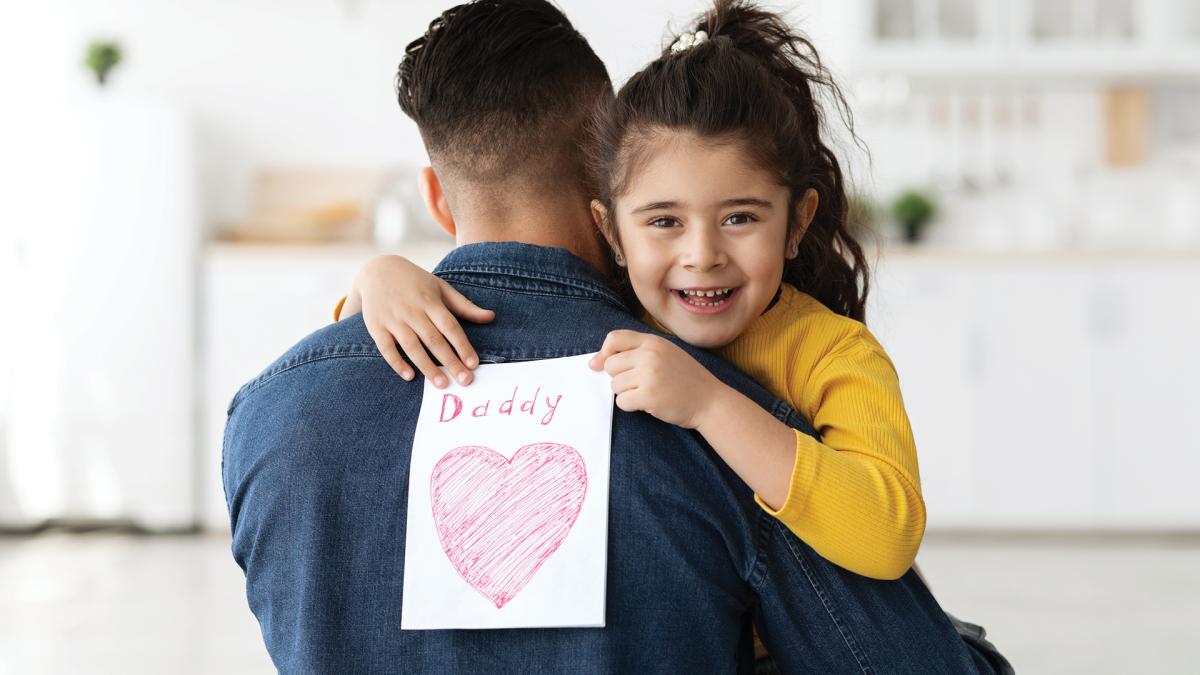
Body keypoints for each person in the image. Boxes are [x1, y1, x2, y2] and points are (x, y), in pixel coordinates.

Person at [224, 0, 1008, 672]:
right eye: (668, 219)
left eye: (737, 216)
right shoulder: (713, 413)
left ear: (435, 194)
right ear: (605, 195)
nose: (700, 254)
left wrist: (371, 290)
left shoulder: (269, 412)